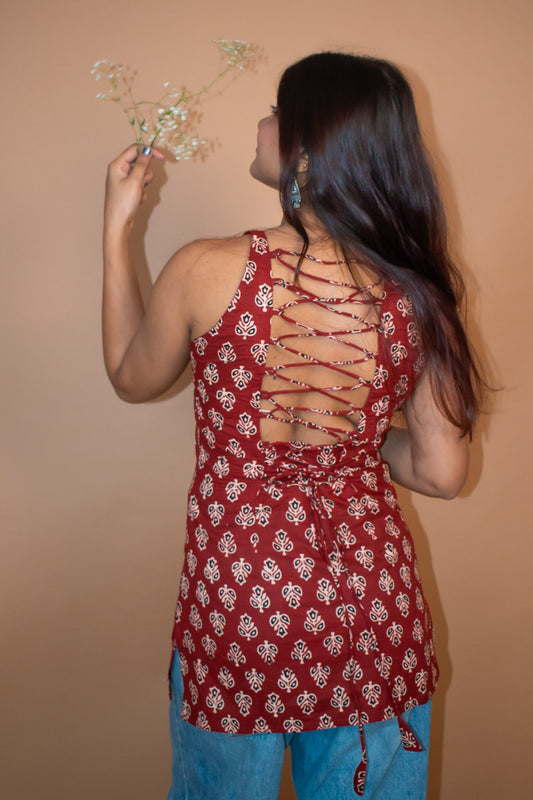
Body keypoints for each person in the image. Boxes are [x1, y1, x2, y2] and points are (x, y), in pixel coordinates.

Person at [102, 53, 483, 800]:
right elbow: (441, 473)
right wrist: (348, 435)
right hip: (372, 615)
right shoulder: (419, 292)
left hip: (239, 612)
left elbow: (129, 375)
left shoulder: (205, 268)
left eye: (276, 110)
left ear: (309, 147)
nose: (261, 122)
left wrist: (118, 230)